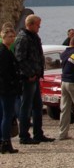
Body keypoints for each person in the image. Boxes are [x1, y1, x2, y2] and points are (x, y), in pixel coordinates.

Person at [14, 14, 54, 144]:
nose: (39, 27)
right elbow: (20, 59)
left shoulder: (34, 37)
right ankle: (24, 136)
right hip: (27, 78)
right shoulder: (23, 38)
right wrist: (29, 74)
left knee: (37, 106)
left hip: (35, 76)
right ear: (30, 24)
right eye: (37, 25)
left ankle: (38, 133)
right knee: (26, 107)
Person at [0, 26, 21, 154]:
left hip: (6, 88)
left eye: (13, 36)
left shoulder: (7, 51)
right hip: (6, 89)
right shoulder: (3, 52)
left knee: (4, 115)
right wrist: (13, 83)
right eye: (9, 36)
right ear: (3, 37)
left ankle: (4, 141)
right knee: (7, 115)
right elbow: (3, 72)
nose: (12, 39)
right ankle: (6, 141)